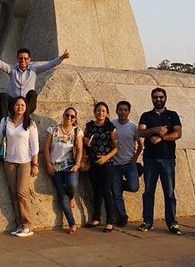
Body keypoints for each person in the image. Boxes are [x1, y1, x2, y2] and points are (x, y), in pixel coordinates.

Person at [0, 96, 39, 237]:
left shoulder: (30, 123)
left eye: (22, 105)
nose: (20, 107)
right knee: (13, 193)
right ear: (13, 106)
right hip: (9, 161)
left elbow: (35, 147)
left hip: (25, 162)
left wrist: (35, 164)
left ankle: (27, 224)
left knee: (22, 192)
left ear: (26, 108)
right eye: (17, 105)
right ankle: (20, 224)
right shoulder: (6, 121)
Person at [137, 88, 182, 235]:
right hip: (150, 159)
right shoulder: (146, 116)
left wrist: (162, 137)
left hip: (168, 159)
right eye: (155, 97)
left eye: (161, 97)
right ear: (152, 98)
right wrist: (155, 129)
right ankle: (147, 221)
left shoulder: (172, 115)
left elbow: (177, 133)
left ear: (165, 98)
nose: (158, 99)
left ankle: (172, 223)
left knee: (169, 192)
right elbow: (141, 132)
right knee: (149, 192)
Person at [0, 43, 70, 120]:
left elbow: (49, 65)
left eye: (25, 58)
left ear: (29, 60)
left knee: (32, 93)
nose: (23, 60)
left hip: (27, 105)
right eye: (21, 58)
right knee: (3, 96)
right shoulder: (11, 70)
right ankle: (3, 123)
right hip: (14, 103)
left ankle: (24, 116)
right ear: (17, 59)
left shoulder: (34, 70)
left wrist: (61, 58)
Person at [43, 107, 84, 234]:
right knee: (62, 195)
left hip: (70, 166)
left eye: (72, 116)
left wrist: (77, 164)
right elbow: (46, 148)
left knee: (72, 185)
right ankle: (72, 223)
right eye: (67, 115)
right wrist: (49, 164)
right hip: (56, 167)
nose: (69, 118)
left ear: (75, 119)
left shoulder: (77, 131)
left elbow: (80, 149)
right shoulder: (53, 129)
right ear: (63, 115)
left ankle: (72, 197)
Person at [83, 101, 119, 232]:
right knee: (96, 190)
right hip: (93, 162)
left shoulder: (111, 127)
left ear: (107, 113)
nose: (100, 113)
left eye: (103, 111)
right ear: (94, 112)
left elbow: (116, 148)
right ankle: (96, 218)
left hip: (106, 163)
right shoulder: (89, 126)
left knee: (106, 191)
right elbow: (84, 141)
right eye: (98, 110)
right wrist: (85, 141)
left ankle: (110, 220)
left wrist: (105, 158)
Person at [110, 100, 143, 228]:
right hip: (115, 165)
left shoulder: (134, 127)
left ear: (129, 112)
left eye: (125, 110)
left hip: (129, 163)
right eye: (120, 109)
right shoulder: (111, 124)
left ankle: (118, 185)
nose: (122, 112)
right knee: (117, 194)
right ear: (116, 111)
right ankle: (123, 216)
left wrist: (135, 158)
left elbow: (140, 145)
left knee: (134, 187)